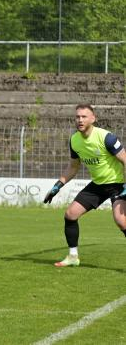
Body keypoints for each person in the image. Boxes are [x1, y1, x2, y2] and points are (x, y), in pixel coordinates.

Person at [43, 104, 126, 267]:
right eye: (77, 117)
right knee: (70, 214)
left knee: (121, 221)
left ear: (93, 119)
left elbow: (125, 160)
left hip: (117, 184)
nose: (80, 120)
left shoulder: (106, 137)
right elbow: (73, 167)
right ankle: (73, 257)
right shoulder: (74, 140)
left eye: (84, 116)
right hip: (97, 185)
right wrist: (57, 186)